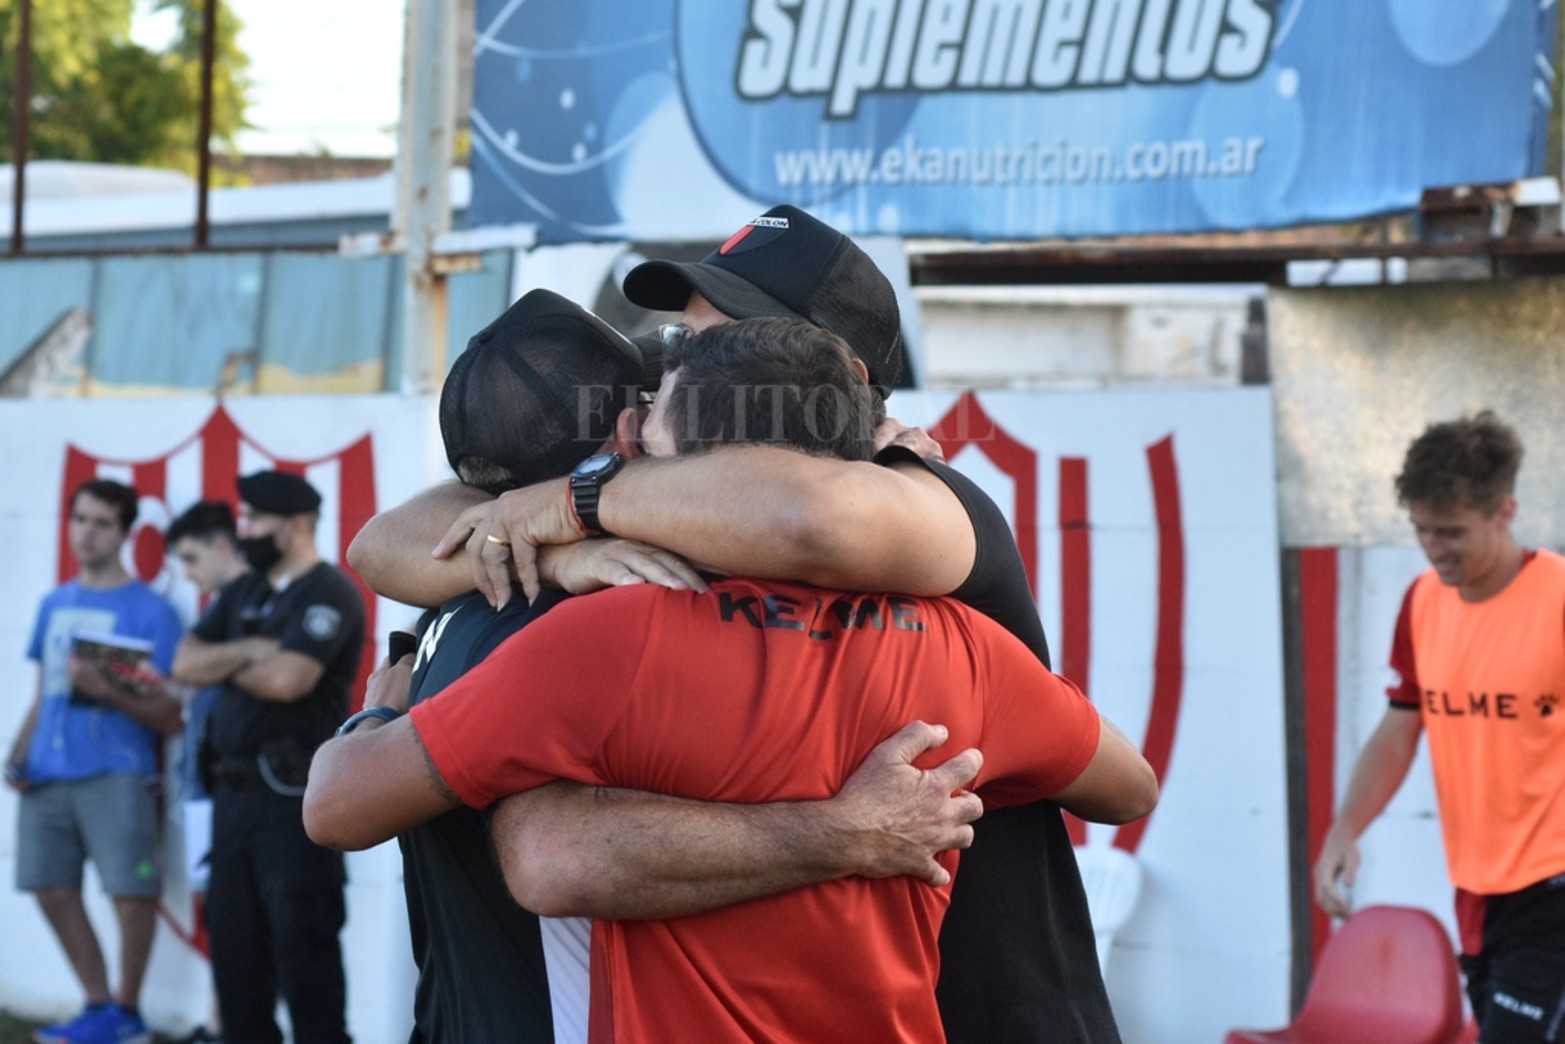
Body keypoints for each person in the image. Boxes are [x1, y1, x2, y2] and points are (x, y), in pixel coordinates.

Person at [306, 317, 1158, 1042]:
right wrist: (864, 822)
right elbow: (1129, 787)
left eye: (653, 439)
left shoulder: (610, 636)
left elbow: (378, 815)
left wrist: (374, 718)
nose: (633, 450)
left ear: (697, 471)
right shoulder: (964, 647)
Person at [1313, 410, 1565, 1041]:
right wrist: (1345, 830)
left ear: (1504, 511)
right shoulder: (1423, 602)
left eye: (1450, 532)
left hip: (1554, 886)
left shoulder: (1557, 598)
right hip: (1476, 892)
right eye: (1422, 531)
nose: (1433, 548)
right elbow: (1399, 730)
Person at [171, 471, 365, 1044]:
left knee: (307, 965)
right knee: (235, 964)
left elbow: (288, 679)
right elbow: (183, 661)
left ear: (296, 524)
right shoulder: (245, 591)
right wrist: (252, 648)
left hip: (292, 806)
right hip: (232, 806)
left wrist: (228, 660)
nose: (245, 530)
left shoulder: (329, 592)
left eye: (256, 519)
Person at [5, 479, 185, 1044]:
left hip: (118, 774)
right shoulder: (54, 602)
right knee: (49, 887)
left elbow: (172, 716)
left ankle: (126, 1014)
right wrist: (18, 747)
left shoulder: (151, 611)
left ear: (125, 532)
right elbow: (45, 690)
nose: (86, 531)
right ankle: (97, 1004)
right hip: (47, 774)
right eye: (80, 519)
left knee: (130, 895)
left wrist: (106, 688)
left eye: (101, 522)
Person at [163, 499, 250, 1044]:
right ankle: (222, 1019)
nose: (190, 575)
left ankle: (229, 1022)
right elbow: (188, 672)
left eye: (192, 560)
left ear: (224, 546)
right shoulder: (224, 608)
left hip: (239, 784)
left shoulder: (256, 602)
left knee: (239, 909)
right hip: (205, 779)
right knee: (216, 907)